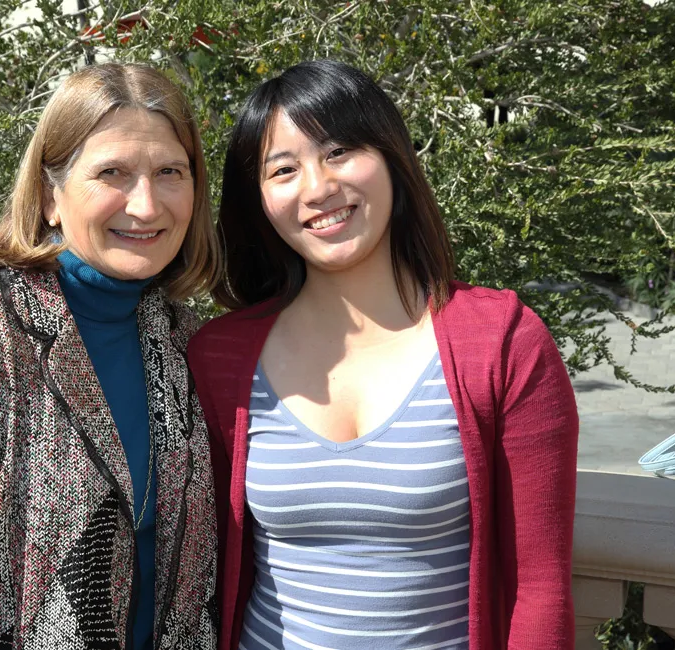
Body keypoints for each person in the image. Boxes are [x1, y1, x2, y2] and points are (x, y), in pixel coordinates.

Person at [188, 60, 579, 650]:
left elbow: (540, 588)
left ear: (393, 158)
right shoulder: (218, 358)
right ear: (260, 200)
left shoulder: (504, 344)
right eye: (284, 169)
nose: (318, 187)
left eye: (340, 151)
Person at [0, 63, 220, 650]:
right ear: (51, 195)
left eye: (169, 172)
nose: (147, 203)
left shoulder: (182, 338)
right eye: (113, 173)